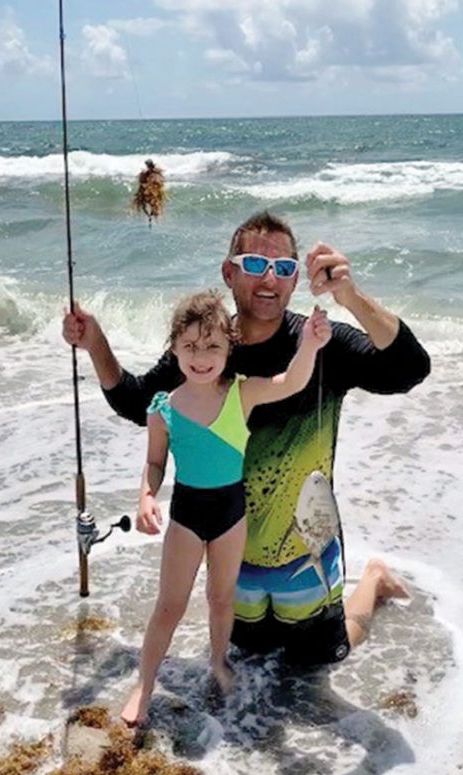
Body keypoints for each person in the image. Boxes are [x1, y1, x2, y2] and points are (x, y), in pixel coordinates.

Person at [62, 210, 430, 670]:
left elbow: (410, 369)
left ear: (296, 280)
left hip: (305, 552)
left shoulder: (321, 344)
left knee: (321, 661)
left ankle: (372, 580)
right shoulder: (206, 350)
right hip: (233, 558)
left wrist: (349, 296)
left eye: (283, 268)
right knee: (249, 658)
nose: (268, 279)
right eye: (254, 265)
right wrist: (95, 342)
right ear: (229, 273)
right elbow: (140, 404)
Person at [121, 290, 331, 726]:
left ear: (228, 348)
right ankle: (144, 684)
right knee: (169, 606)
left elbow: (291, 382)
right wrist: (145, 496)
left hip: (231, 515)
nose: (201, 357)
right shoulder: (164, 409)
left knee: (221, 599)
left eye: (212, 346)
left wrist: (309, 344)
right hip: (186, 516)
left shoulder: (241, 394)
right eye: (191, 347)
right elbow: (155, 462)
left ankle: (218, 662)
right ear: (174, 348)